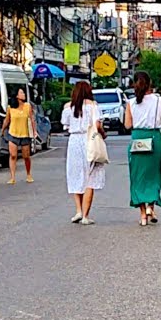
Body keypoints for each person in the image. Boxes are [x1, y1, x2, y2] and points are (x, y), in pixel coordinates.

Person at [124, 71, 161, 227]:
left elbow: (127, 125)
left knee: (138, 177)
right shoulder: (160, 100)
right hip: (154, 138)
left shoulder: (130, 103)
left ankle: (143, 215)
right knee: (153, 175)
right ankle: (151, 207)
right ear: (150, 83)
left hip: (137, 138)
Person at [62, 81, 106, 225]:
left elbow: (65, 125)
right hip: (89, 140)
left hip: (74, 142)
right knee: (90, 178)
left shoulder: (68, 107)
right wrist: (103, 134)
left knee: (76, 175)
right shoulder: (93, 106)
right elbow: (97, 125)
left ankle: (78, 210)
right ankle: (86, 215)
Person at [3, 87, 37, 185]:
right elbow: (7, 120)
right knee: (13, 155)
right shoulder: (11, 107)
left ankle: (28, 174)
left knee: (26, 156)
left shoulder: (27, 106)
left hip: (25, 134)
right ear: (17, 96)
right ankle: (12, 177)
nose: (24, 94)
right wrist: (3, 129)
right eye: (22, 93)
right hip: (13, 134)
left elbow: (32, 120)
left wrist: (34, 131)